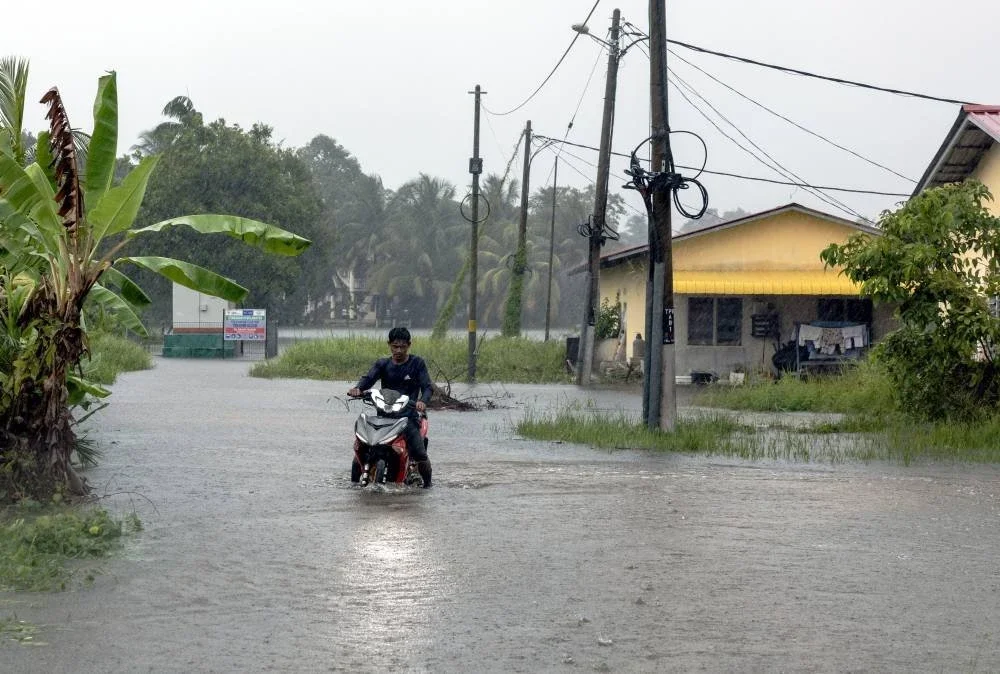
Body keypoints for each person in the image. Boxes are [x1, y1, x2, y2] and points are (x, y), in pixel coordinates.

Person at [348, 327, 433, 488]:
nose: (398, 350)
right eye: (395, 346)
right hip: (384, 418)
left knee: (420, 454)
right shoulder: (383, 364)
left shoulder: (417, 363)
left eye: (402, 347)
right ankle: (353, 486)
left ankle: (428, 486)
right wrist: (358, 389)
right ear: (389, 345)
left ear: (409, 345)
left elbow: (427, 387)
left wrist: (423, 401)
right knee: (361, 446)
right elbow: (368, 378)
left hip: (408, 418)